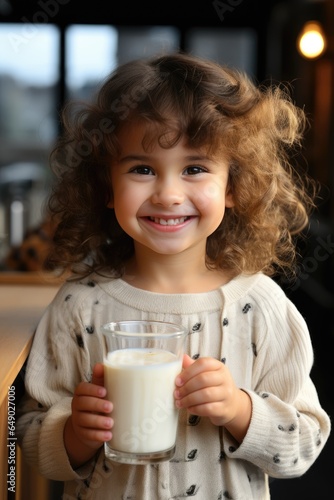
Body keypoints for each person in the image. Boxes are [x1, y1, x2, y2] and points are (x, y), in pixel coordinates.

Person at [17, 52, 330, 500]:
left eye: (195, 168)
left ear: (234, 187)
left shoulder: (262, 306)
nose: (167, 194)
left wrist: (242, 411)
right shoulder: (78, 305)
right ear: (107, 187)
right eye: (142, 169)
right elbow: (20, 438)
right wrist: (74, 435)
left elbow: (305, 445)